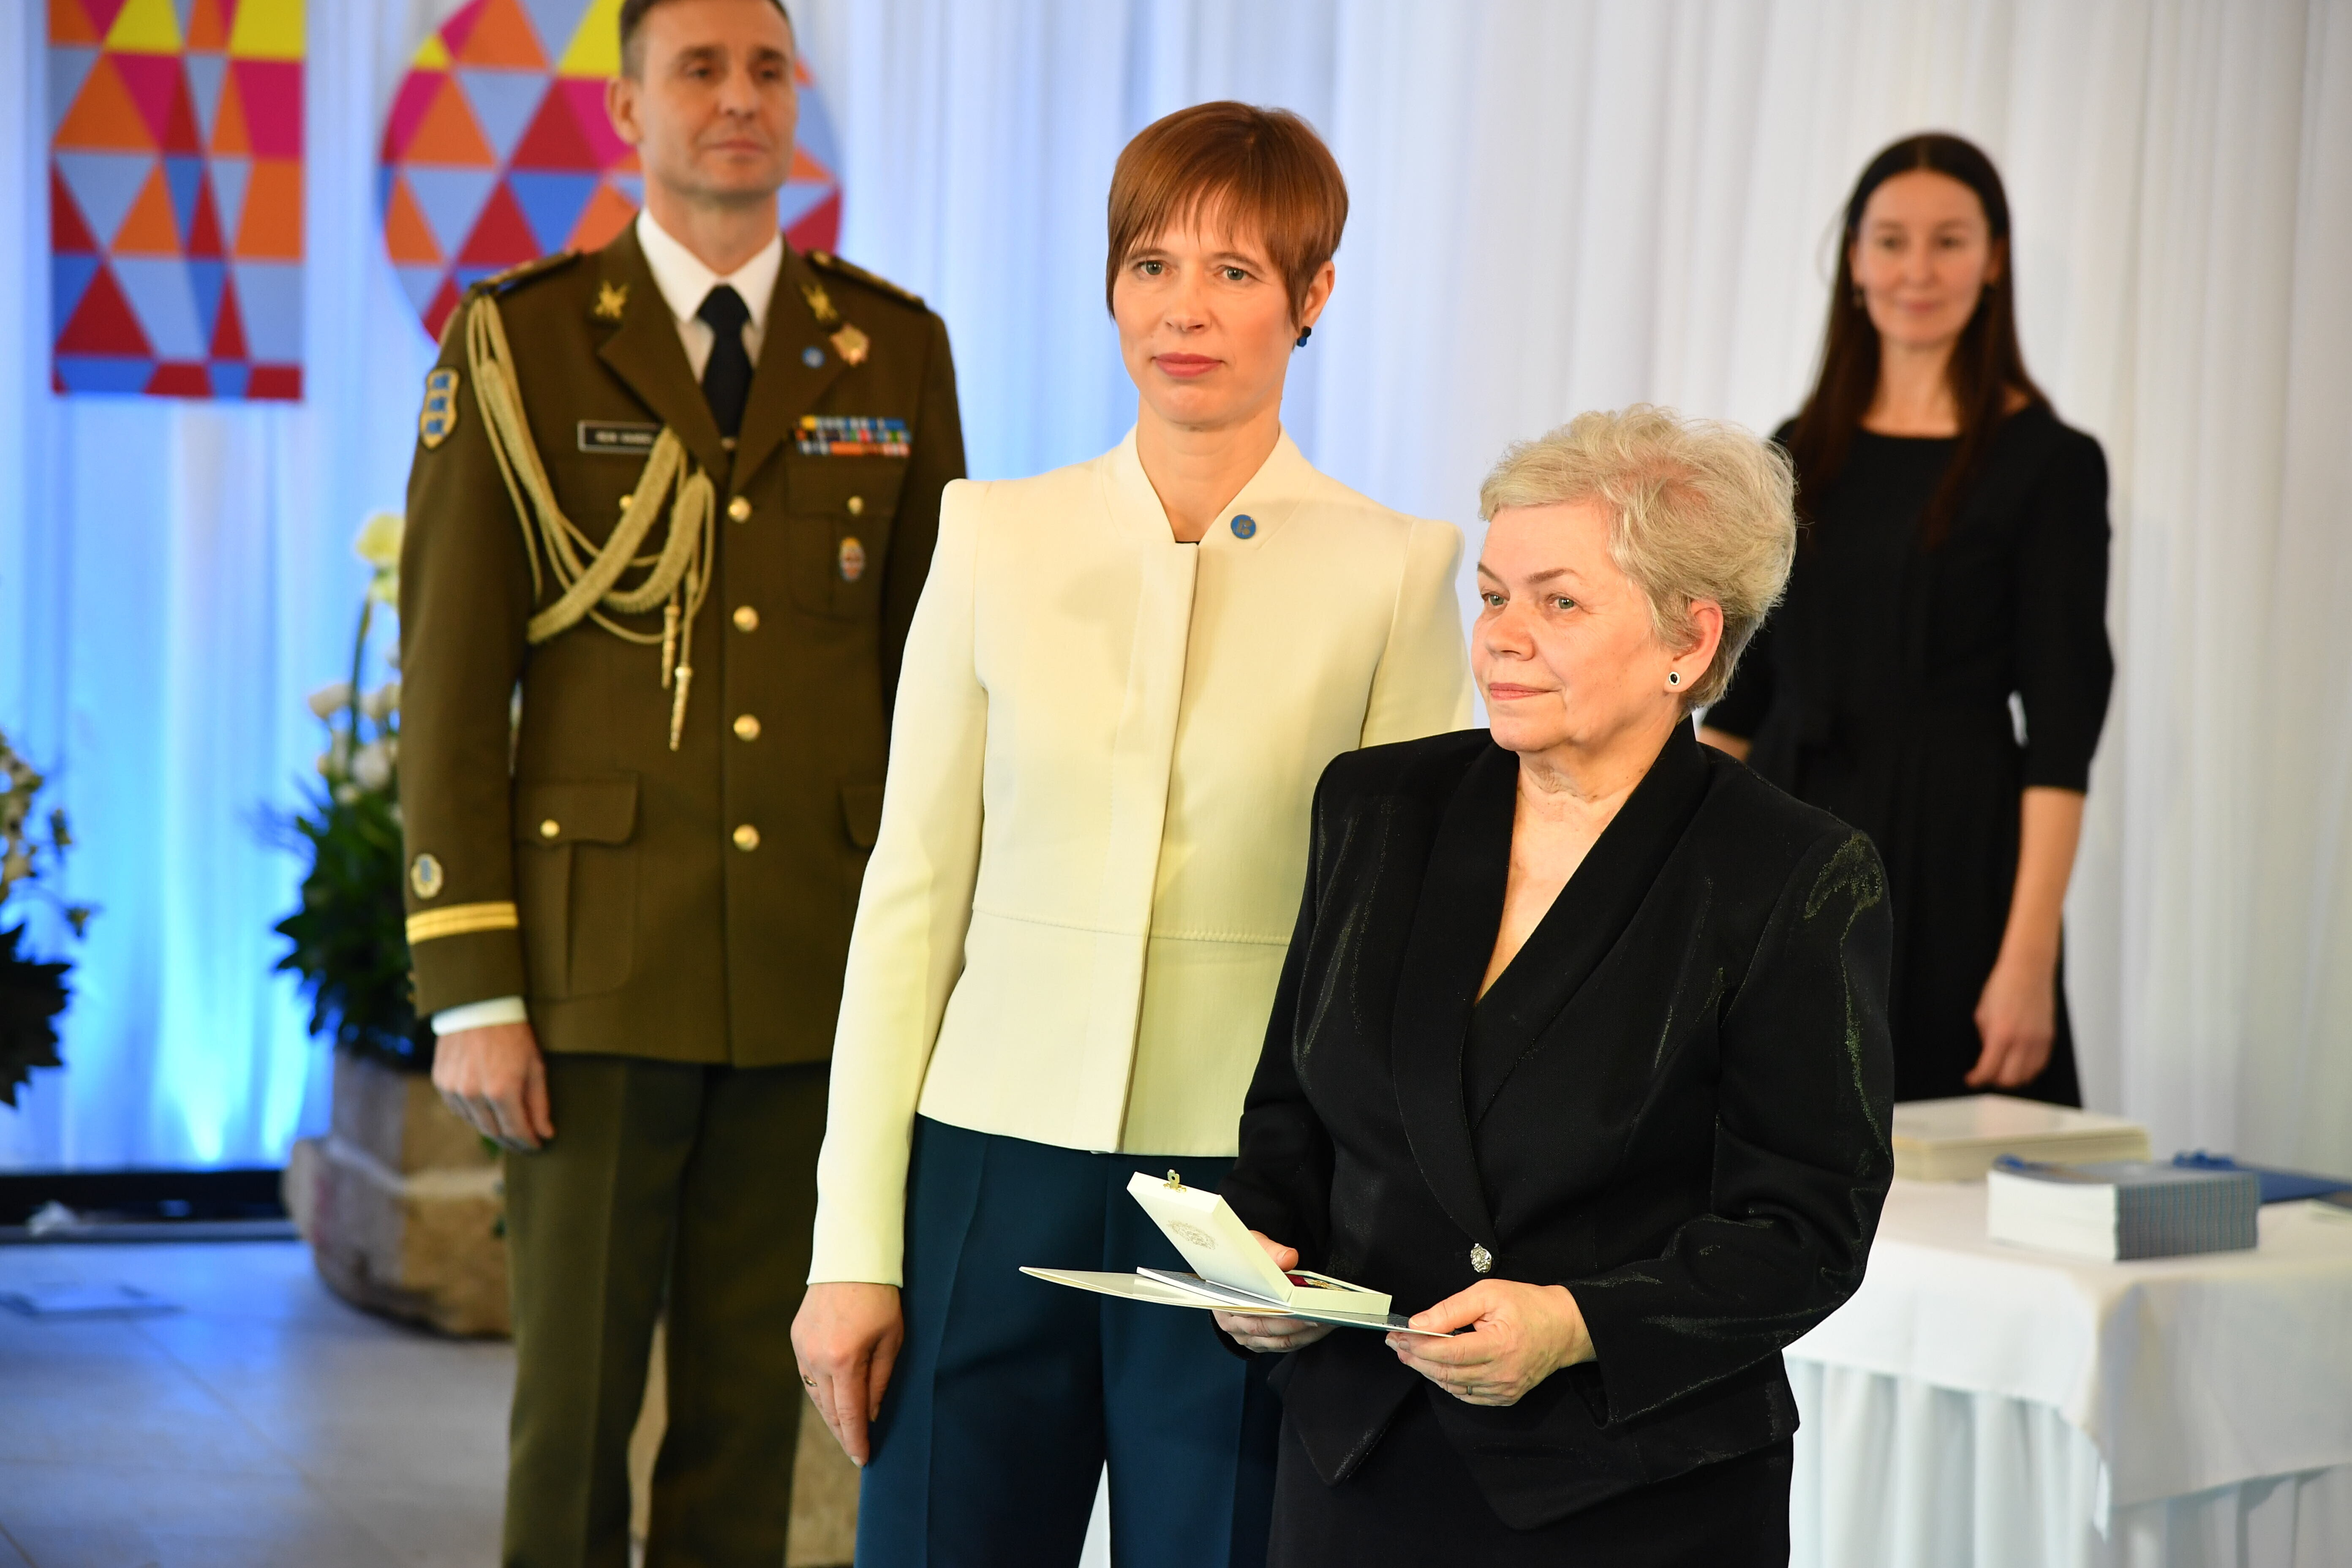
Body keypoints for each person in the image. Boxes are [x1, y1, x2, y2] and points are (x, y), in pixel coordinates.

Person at [791, 101, 1473, 1568]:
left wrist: (1350, 1234)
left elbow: (1391, 953)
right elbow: (911, 898)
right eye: (1151, 264)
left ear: (1313, 295)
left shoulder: (1394, 572)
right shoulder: (992, 534)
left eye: (1235, 271)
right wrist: (850, 1248)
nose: (1184, 309)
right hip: (983, 1173)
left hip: (1250, 1204)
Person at [398, 0, 964, 1560]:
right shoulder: (519, 341)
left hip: (810, 972)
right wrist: (471, 987)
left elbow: (935, 686)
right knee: (570, 1421)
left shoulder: (895, 348)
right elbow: (449, 686)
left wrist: (937, 974)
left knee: (752, 1417)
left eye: (767, 69)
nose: (738, 99)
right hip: (592, 980)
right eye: (698, 69)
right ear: (626, 111)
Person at [1213, 407, 1894, 1565]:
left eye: (1558, 602)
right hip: (1357, 1460)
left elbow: (1807, 1229)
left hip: (1628, 1488)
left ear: (1690, 640)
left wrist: (1576, 1322)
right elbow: (1291, 1118)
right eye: (1492, 597)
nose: (1501, 639)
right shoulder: (1375, 809)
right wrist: (1261, 1259)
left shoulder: (1794, 873)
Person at [1700, 132, 2112, 1106]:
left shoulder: (2051, 463)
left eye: (1949, 241)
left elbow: (2062, 731)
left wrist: (2029, 959)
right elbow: (1740, 700)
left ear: (1994, 259)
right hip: (1792, 832)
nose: (1916, 270)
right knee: (1770, 1138)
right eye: (1891, 241)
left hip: (1953, 855)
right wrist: (1681, 891)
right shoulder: (1796, 450)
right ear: (1854, 260)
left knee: (1939, 1138)